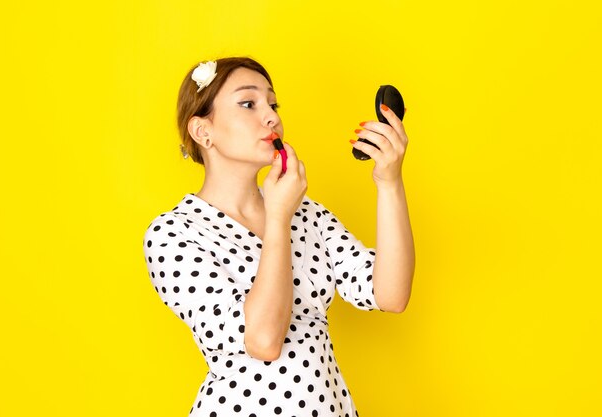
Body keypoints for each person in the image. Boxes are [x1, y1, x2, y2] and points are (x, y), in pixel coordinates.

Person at [143, 56, 415, 417]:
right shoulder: (174, 234)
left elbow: (391, 294)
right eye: (248, 103)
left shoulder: (308, 214)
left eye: (273, 104)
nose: (271, 117)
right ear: (202, 131)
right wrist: (278, 219)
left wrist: (389, 181)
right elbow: (264, 340)